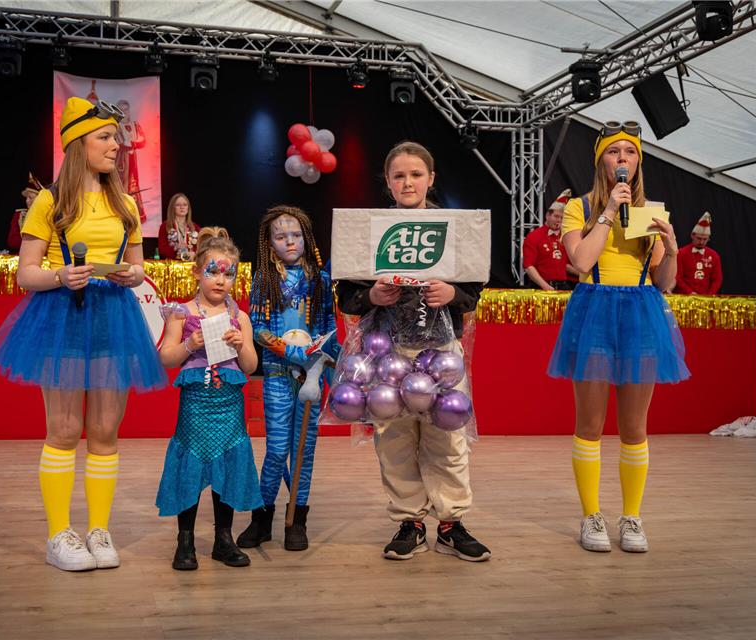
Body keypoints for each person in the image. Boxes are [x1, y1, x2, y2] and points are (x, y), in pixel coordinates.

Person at [0, 97, 167, 571]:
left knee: (105, 431)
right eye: (105, 137)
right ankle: (58, 535)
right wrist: (62, 275)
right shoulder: (50, 200)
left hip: (112, 315)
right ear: (77, 144)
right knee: (64, 430)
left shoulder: (126, 203)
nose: (115, 145)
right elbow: (26, 274)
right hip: (64, 313)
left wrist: (131, 274)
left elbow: (138, 265)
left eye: (115, 136)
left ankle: (99, 531)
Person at [336, 141, 491, 563]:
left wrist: (452, 292)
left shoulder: (453, 229)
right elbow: (347, 296)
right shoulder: (369, 230)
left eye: (416, 174)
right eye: (399, 175)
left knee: (449, 440)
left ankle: (451, 524)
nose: (408, 182)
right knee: (394, 440)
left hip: (440, 350)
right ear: (387, 182)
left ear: (431, 179)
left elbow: (475, 291)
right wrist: (372, 294)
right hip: (386, 352)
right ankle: (410, 522)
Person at [548, 120, 689, 554]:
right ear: (601, 161)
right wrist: (608, 211)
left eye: (629, 152)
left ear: (638, 162)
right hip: (594, 309)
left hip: (641, 311)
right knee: (589, 424)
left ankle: (632, 518)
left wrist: (672, 246)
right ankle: (592, 516)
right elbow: (581, 260)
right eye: (614, 152)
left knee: (634, 427)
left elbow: (665, 282)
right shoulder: (579, 206)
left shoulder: (652, 212)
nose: (622, 159)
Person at [155, 227, 261, 571]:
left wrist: (240, 344)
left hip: (228, 403)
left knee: (227, 467)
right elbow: (167, 357)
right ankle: (184, 540)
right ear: (197, 272)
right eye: (213, 271)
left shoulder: (239, 317)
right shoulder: (181, 313)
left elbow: (251, 365)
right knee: (190, 465)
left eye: (228, 273)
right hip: (196, 403)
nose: (221, 279)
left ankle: (223, 539)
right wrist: (190, 345)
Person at [236, 205, 335, 552]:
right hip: (278, 374)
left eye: (295, 235)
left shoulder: (320, 280)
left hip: (311, 376)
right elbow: (259, 328)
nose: (289, 241)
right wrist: (291, 353)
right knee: (277, 449)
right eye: (281, 236)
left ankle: (297, 519)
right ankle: (261, 519)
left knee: (303, 451)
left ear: (306, 238)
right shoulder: (264, 278)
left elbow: (328, 328)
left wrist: (321, 364)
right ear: (270, 242)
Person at [522, 189, 580, 290]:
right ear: (547, 215)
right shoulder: (534, 236)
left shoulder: (565, 237)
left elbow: (564, 264)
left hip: (563, 285)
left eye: (562, 218)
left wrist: (585, 275)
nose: (559, 221)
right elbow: (528, 266)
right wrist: (545, 286)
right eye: (556, 216)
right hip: (541, 286)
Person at [114, 99, 147, 222]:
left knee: (133, 184)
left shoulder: (135, 125)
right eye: (120, 110)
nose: (123, 112)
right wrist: (130, 144)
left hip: (132, 160)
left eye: (125, 109)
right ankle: (119, 213)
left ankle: (134, 214)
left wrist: (132, 143)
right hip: (120, 161)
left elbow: (142, 140)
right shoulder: (115, 126)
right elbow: (120, 142)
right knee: (120, 184)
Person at [675, 212, 723, 294]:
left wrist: (709, 295)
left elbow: (717, 279)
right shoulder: (681, 253)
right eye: (699, 238)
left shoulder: (714, 255)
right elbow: (677, 277)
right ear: (692, 235)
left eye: (705, 239)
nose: (701, 242)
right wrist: (689, 292)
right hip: (684, 296)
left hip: (706, 297)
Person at [7, 172, 43, 252]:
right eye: (26, 198)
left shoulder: (47, 216)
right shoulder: (19, 215)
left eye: (30, 198)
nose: (27, 201)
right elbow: (12, 241)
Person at [158, 193, 201, 260]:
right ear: (173, 208)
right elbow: (162, 250)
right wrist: (176, 248)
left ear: (188, 208)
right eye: (178, 205)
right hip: (172, 264)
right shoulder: (165, 226)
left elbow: (201, 248)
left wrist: (195, 254)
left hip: (191, 264)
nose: (182, 207)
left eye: (185, 205)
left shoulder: (195, 227)